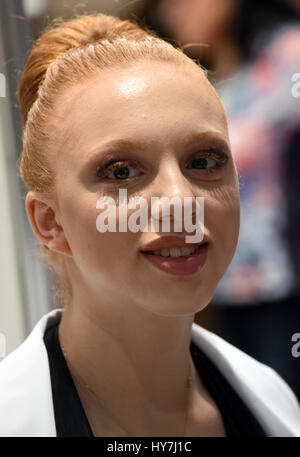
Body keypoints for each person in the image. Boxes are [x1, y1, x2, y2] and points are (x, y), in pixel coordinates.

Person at [0, 12, 299, 437]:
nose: (180, 200)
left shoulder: (272, 400)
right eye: (121, 171)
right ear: (51, 222)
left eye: (204, 161)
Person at [148, 0, 300, 399]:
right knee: (243, 398)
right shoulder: (201, 86)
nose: (173, 13)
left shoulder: (286, 53)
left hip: (281, 272)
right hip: (221, 276)